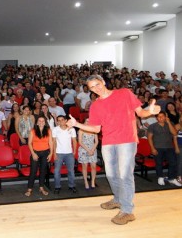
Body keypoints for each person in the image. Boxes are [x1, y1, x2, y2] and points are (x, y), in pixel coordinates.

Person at [67, 75, 161, 225]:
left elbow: (141, 113)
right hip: (108, 142)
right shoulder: (95, 105)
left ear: (103, 82)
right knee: (111, 175)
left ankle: (127, 211)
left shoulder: (124, 93)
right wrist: (77, 124)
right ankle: (118, 199)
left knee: (125, 176)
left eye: (97, 84)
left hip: (127, 140)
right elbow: (95, 128)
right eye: (92, 87)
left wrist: (150, 111)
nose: (96, 88)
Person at [147, 112, 181, 187]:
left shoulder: (170, 123)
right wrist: (152, 148)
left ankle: (171, 178)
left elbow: (175, 133)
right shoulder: (153, 126)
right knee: (159, 163)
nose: (161, 118)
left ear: (165, 117)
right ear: (156, 118)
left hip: (169, 147)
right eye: (159, 117)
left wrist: (168, 122)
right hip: (158, 147)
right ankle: (160, 177)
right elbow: (149, 138)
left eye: (162, 116)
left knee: (173, 162)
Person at [25, 116, 53, 197]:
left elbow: (51, 142)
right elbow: (29, 143)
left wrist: (51, 153)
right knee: (33, 171)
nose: (41, 122)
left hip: (45, 153)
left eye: (43, 121)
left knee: (43, 171)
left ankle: (41, 187)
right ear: (37, 122)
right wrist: (33, 153)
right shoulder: (33, 131)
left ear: (45, 122)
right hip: (35, 153)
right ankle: (29, 189)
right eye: (39, 121)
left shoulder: (48, 130)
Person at [52, 115, 77, 194]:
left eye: (62, 120)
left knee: (71, 171)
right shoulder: (55, 129)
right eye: (59, 120)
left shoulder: (72, 129)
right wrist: (54, 153)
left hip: (69, 153)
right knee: (56, 171)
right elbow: (54, 142)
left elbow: (74, 141)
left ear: (66, 120)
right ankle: (57, 186)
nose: (60, 121)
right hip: (59, 153)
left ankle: (71, 186)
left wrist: (74, 151)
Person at [78, 118, 99, 189]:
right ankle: (86, 181)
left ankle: (93, 181)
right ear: (84, 122)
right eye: (87, 121)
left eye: (90, 121)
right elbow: (80, 142)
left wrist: (92, 150)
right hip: (84, 150)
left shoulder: (94, 130)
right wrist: (88, 150)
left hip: (93, 150)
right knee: (85, 167)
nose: (88, 122)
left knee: (93, 167)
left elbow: (96, 141)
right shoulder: (81, 130)